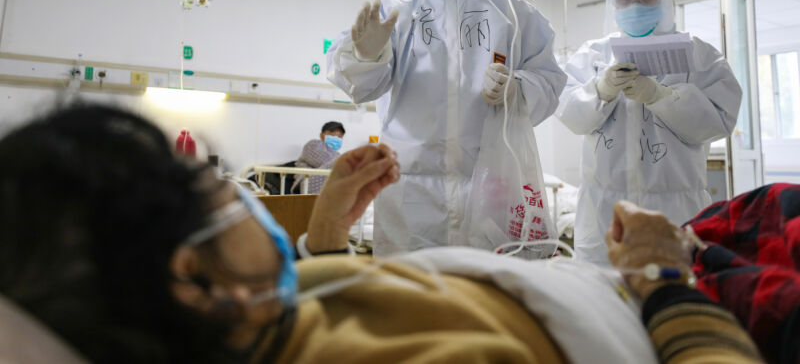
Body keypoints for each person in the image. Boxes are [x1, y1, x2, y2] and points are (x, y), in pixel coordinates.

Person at [0, 104, 763, 363]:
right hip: (697, 310)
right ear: (196, 280)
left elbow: (320, 303)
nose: (243, 201)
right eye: (218, 194)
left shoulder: (254, 324)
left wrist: (327, 231)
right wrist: (662, 277)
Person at [327, 0, 567, 255]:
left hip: (490, 187)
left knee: (485, 298)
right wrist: (366, 54)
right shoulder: (396, 12)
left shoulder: (515, 14)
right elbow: (360, 87)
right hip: (411, 191)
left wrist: (517, 89)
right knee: (413, 298)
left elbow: (551, 82)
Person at [556, 0, 742, 264]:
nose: (636, 5)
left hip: (675, 207)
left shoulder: (698, 54)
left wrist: (660, 95)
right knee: (605, 296)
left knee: (671, 290)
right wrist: (601, 89)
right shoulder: (594, 54)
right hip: (604, 211)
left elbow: (718, 121)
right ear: (613, 3)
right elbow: (571, 116)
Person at [291, 121, 345, 194]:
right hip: (306, 182)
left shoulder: (337, 154)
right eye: (332, 134)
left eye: (339, 136)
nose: (336, 138)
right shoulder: (313, 144)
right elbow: (324, 161)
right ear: (322, 136)